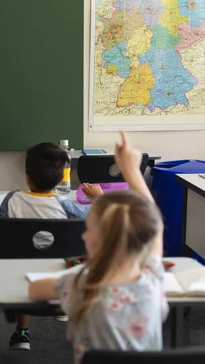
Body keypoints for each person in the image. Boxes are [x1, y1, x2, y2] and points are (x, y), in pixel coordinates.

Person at [28, 132, 167, 363]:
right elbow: (154, 226)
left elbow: (35, 290)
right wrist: (132, 170)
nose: (84, 233)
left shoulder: (82, 284)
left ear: (98, 241)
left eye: (89, 229)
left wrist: (74, 272)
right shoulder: (152, 279)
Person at [0, 142, 102, 350]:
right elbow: (96, 217)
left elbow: (2, 226)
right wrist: (98, 198)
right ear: (59, 179)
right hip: (60, 273)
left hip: (18, 274)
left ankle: (21, 333)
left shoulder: (11, 199)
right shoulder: (65, 205)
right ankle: (63, 309)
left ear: (27, 177)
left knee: (24, 259)